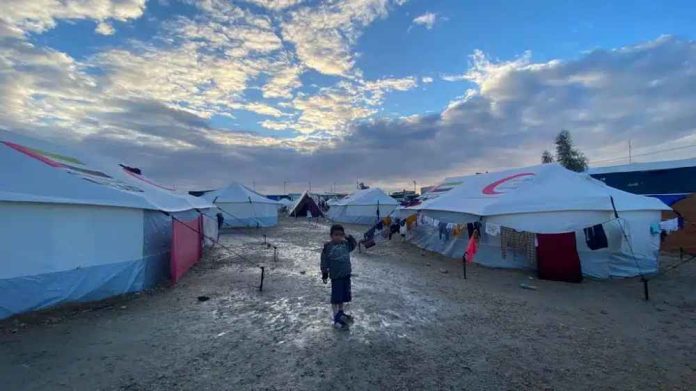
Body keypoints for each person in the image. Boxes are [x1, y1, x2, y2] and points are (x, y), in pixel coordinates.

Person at [321, 224, 357, 329]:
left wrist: (348, 237)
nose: (338, 237)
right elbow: (324, 260)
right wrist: (324, 272)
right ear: (331, 235)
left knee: (343, 296)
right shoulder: (328, 247)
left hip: (346, 275)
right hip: (336, 277)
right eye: (336, 235)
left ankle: (341, 313)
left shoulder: (346, 245)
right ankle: (336, 317)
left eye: (341, 235)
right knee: (336, 298)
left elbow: (354, 244)